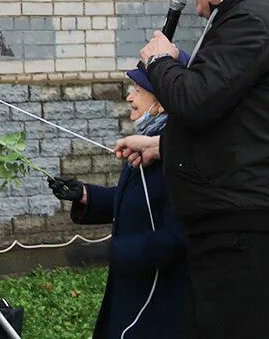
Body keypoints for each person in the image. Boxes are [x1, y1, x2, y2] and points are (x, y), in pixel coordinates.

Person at [115, 0, 269, 339]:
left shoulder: (254, 20)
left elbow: (196, 101)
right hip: (240, 223)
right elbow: (237, 122)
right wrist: (162, 147)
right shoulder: (253, 15)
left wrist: (160, 61)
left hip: (249, 228)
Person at [49, 59, 188, 339]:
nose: (129, 96)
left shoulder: (178, 158)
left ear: (161, 103)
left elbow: (179, 238)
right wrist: (86, 195)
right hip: (132, 286)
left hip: (157, 299)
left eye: (138, 89)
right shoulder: (148, 141)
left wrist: (112, 251)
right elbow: (136, 202)